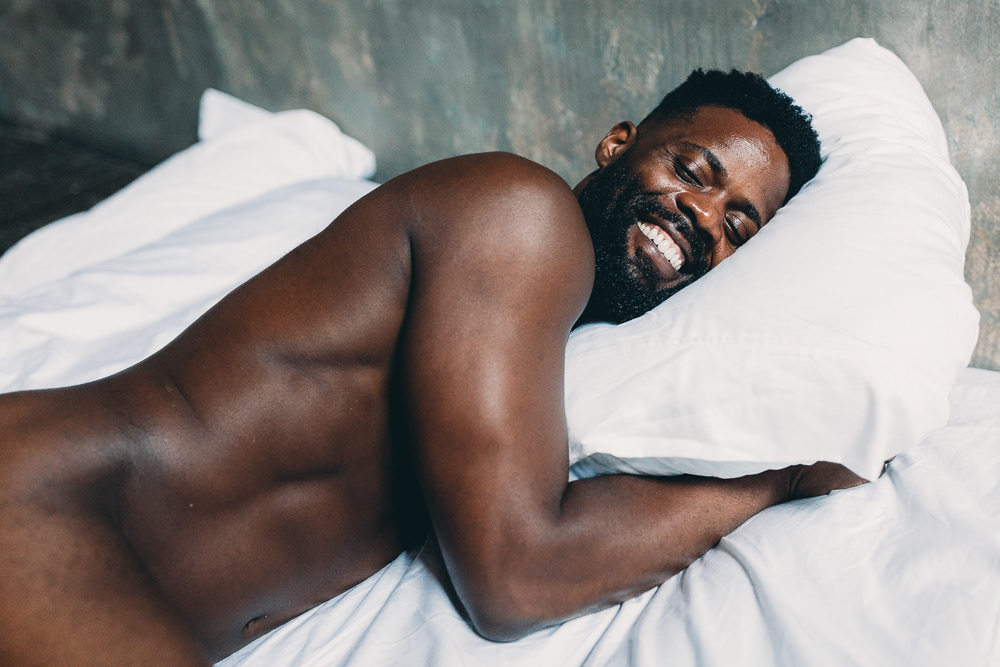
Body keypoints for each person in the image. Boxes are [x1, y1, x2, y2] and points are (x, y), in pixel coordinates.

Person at [0, 69, 863, 665]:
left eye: (737, 225)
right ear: (617, 145)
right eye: (692, 170)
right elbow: (514, 573)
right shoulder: (520, 215)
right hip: (45, 505)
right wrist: (779, 478)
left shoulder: (545, 331)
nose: (702, 214)